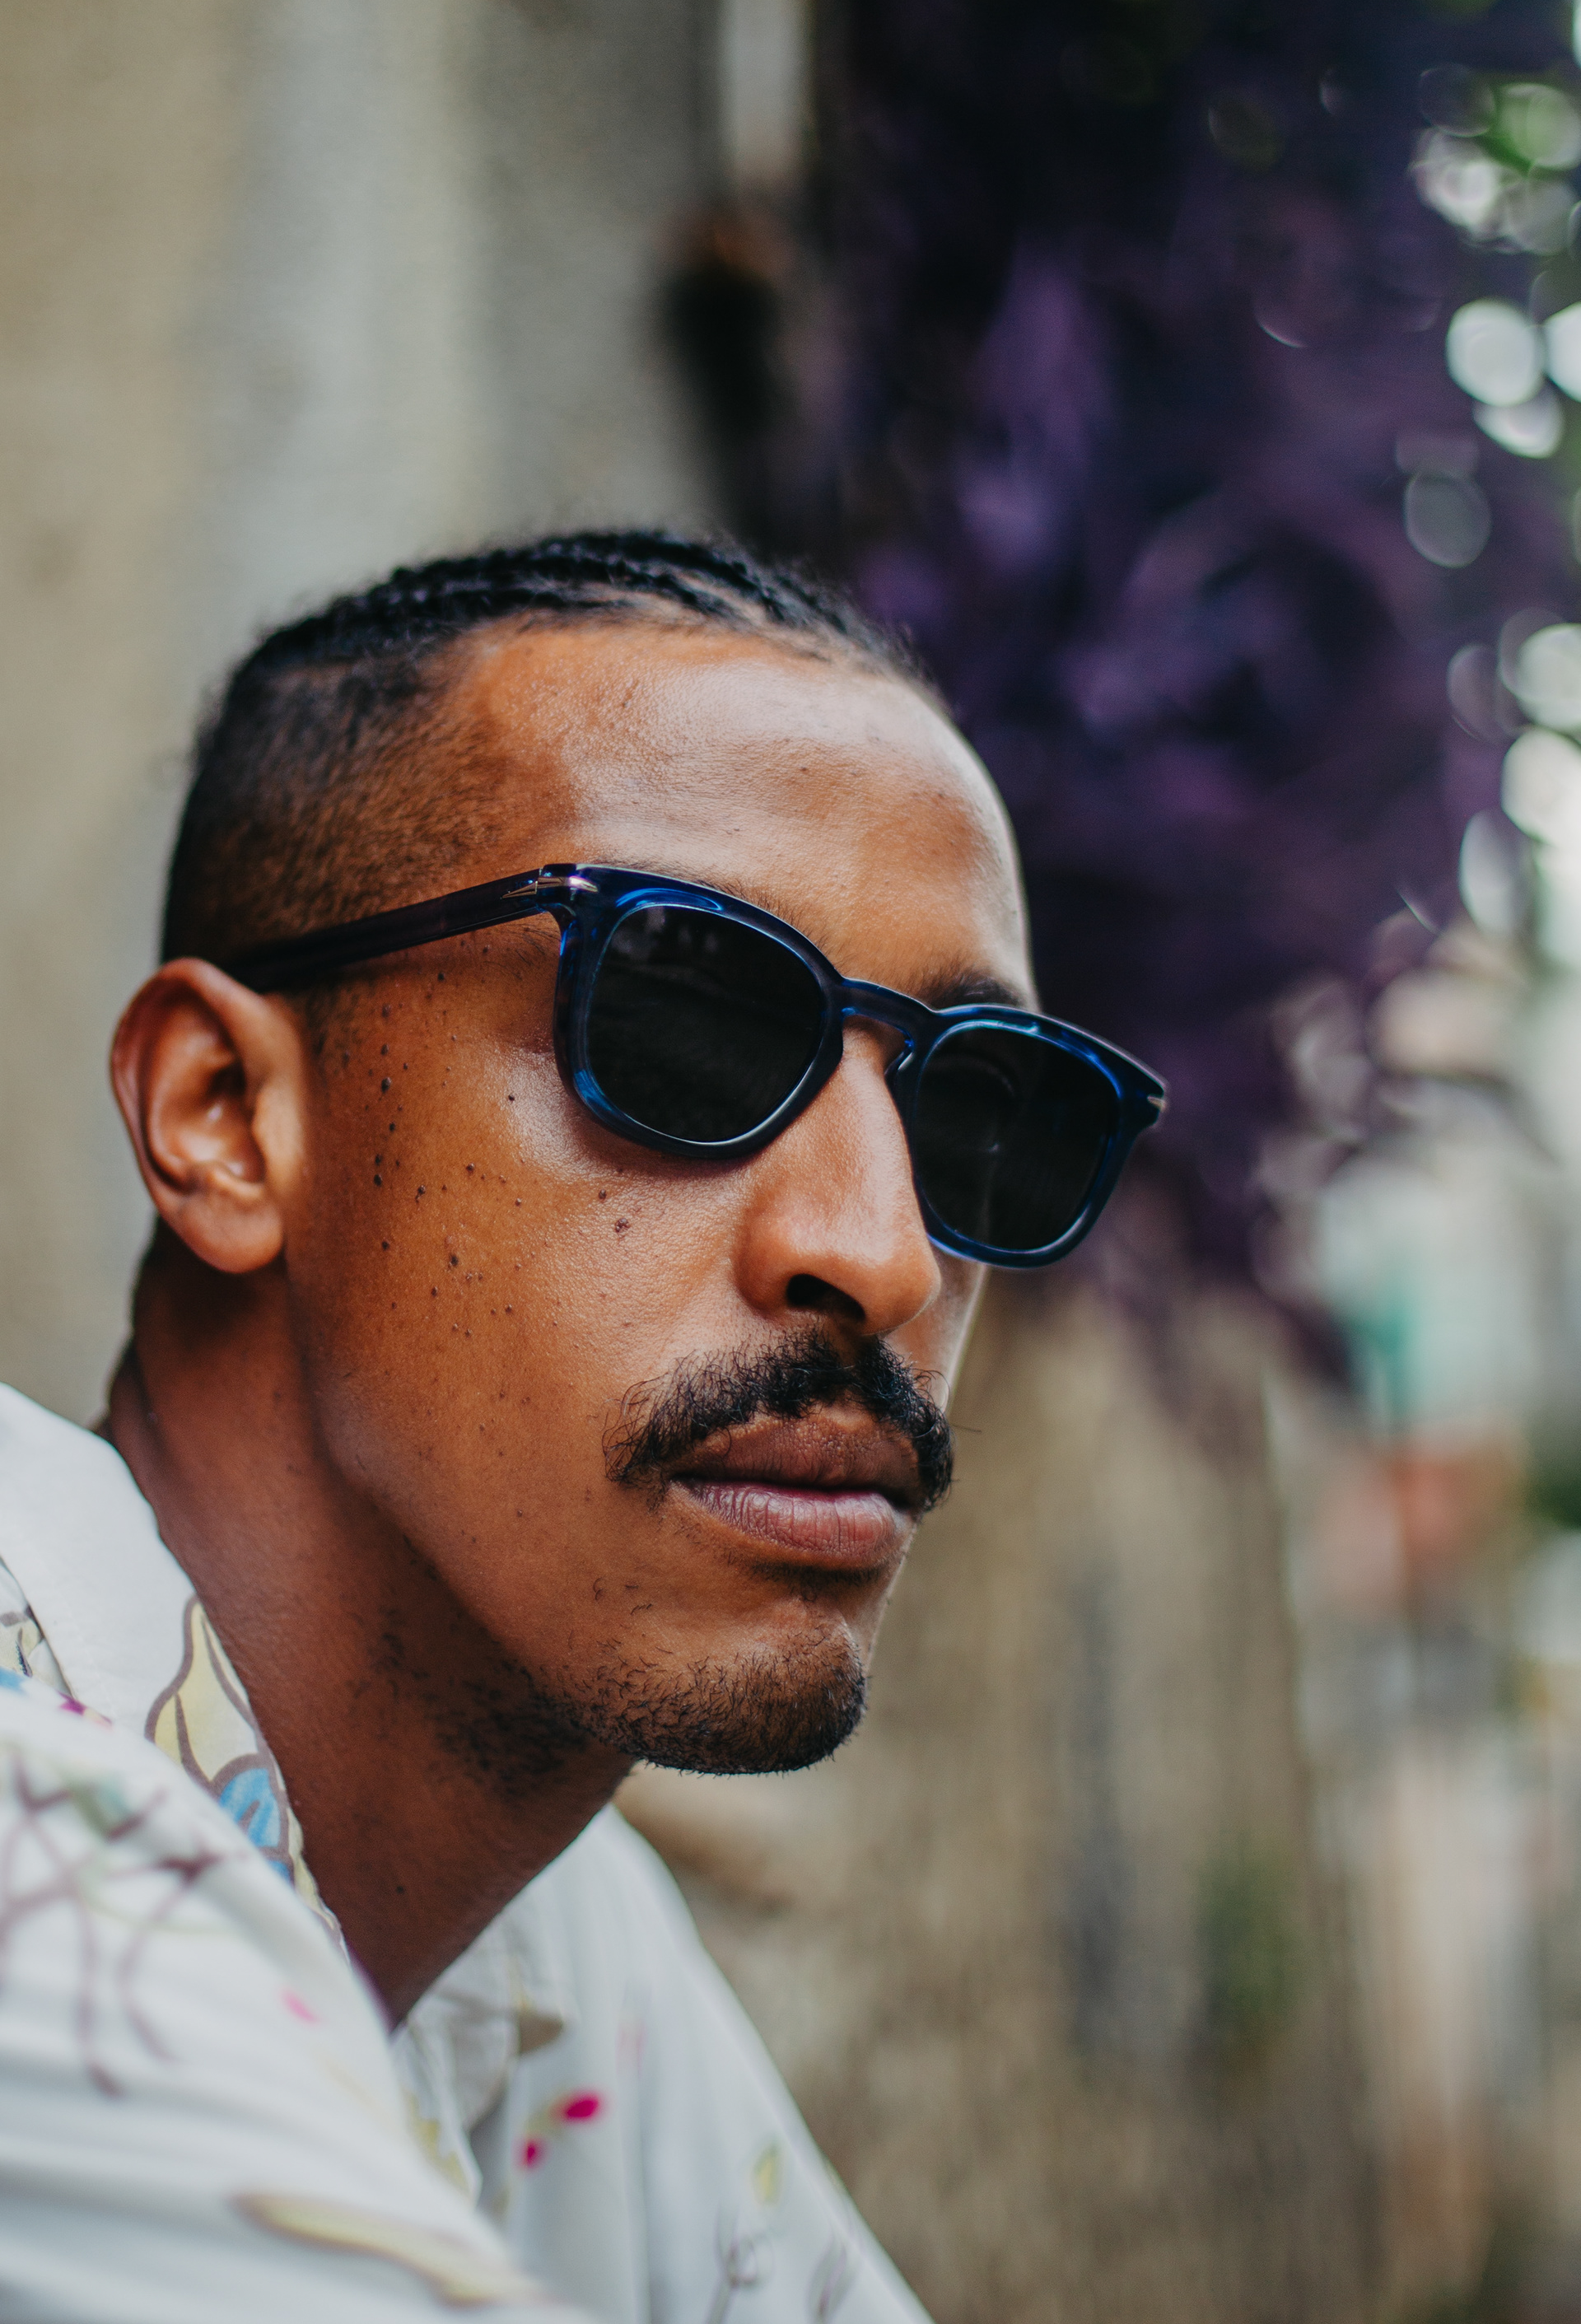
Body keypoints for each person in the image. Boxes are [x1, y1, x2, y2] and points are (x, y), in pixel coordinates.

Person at [0, 532, 1161, 2321]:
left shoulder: (546, 1959)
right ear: (223, 1114)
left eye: (985, 1112)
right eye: (687, 1026)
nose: (884, 1254)